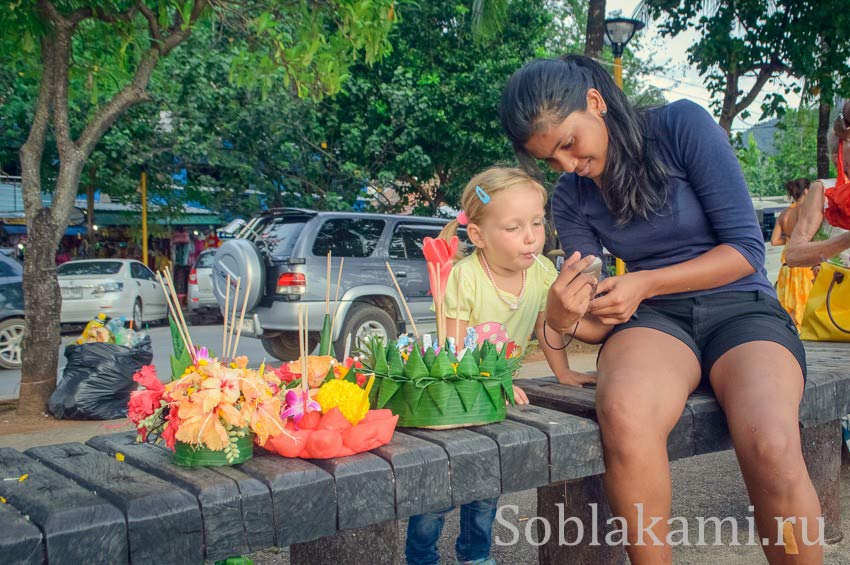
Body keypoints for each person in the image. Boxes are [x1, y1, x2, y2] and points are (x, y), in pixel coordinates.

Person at [500, 54, 821, 564]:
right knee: (624, 413)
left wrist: (644, 281)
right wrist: (564, 316)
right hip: (655, 322)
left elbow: (745, 250)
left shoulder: (679, 126)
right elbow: (598, 319)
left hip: (742, 305)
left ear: (595, 102)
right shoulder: (571, 197)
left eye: (568, 144)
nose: (567, 165)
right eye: (551, 160)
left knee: (771, 442)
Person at [404, 167, 595, 565]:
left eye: (538, 222)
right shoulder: (464, 278)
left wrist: (562, 372)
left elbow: (547, 324)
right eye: (514, 227)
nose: (532, 236)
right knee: (439, 487)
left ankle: (475, 555)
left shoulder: (540, 271)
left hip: (494, 398)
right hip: (450, 394)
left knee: (487, 481)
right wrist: (491, 383)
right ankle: (420, 558)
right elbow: (451, 350)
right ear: (477, 235)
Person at [771, 178, 814, 326]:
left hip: (787, 264)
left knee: (788, 306)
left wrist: (789, 238)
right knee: (807, 303)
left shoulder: (784, 214)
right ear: (807, 191)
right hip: (804, 263)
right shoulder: (808, 211)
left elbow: (774, 241)